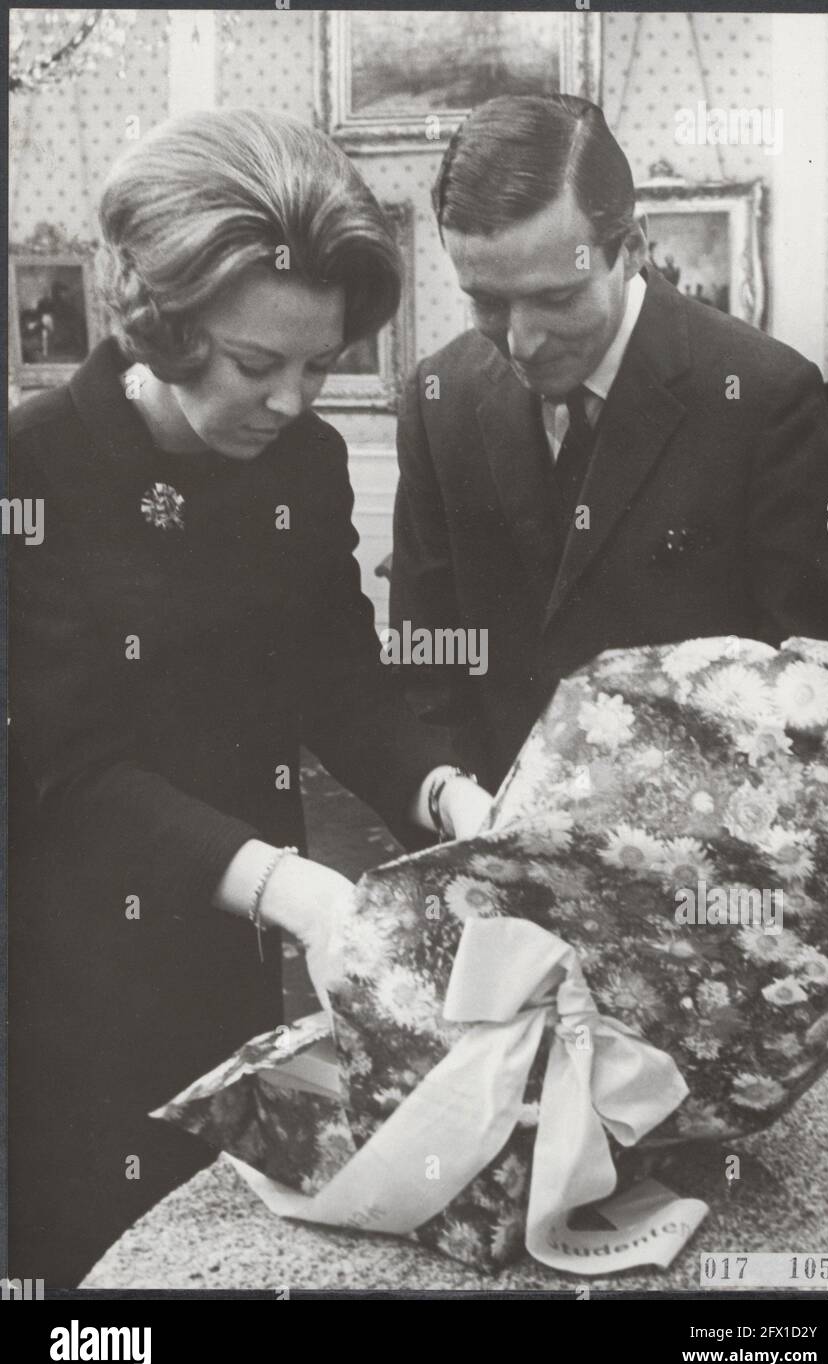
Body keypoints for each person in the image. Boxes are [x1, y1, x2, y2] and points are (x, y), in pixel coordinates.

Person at [7, 107, 491, 1289]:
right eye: (254, 365)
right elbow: (67, 773)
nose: (290, 402)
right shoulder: (32, 473)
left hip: (240, 957)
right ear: (160, 325)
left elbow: (336, 674)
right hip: (64, 969)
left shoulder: (303, 461)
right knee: (95, 1271)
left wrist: (448, 792)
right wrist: (292, 887)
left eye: (318, 366)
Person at [390, 95, 828, 791]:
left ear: (631, 247)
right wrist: (458, 809)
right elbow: (427, 659)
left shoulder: (764, 396)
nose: (521, 343)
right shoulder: (438, 399)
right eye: (485, 299)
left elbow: (809, 682)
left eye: (557, 298)